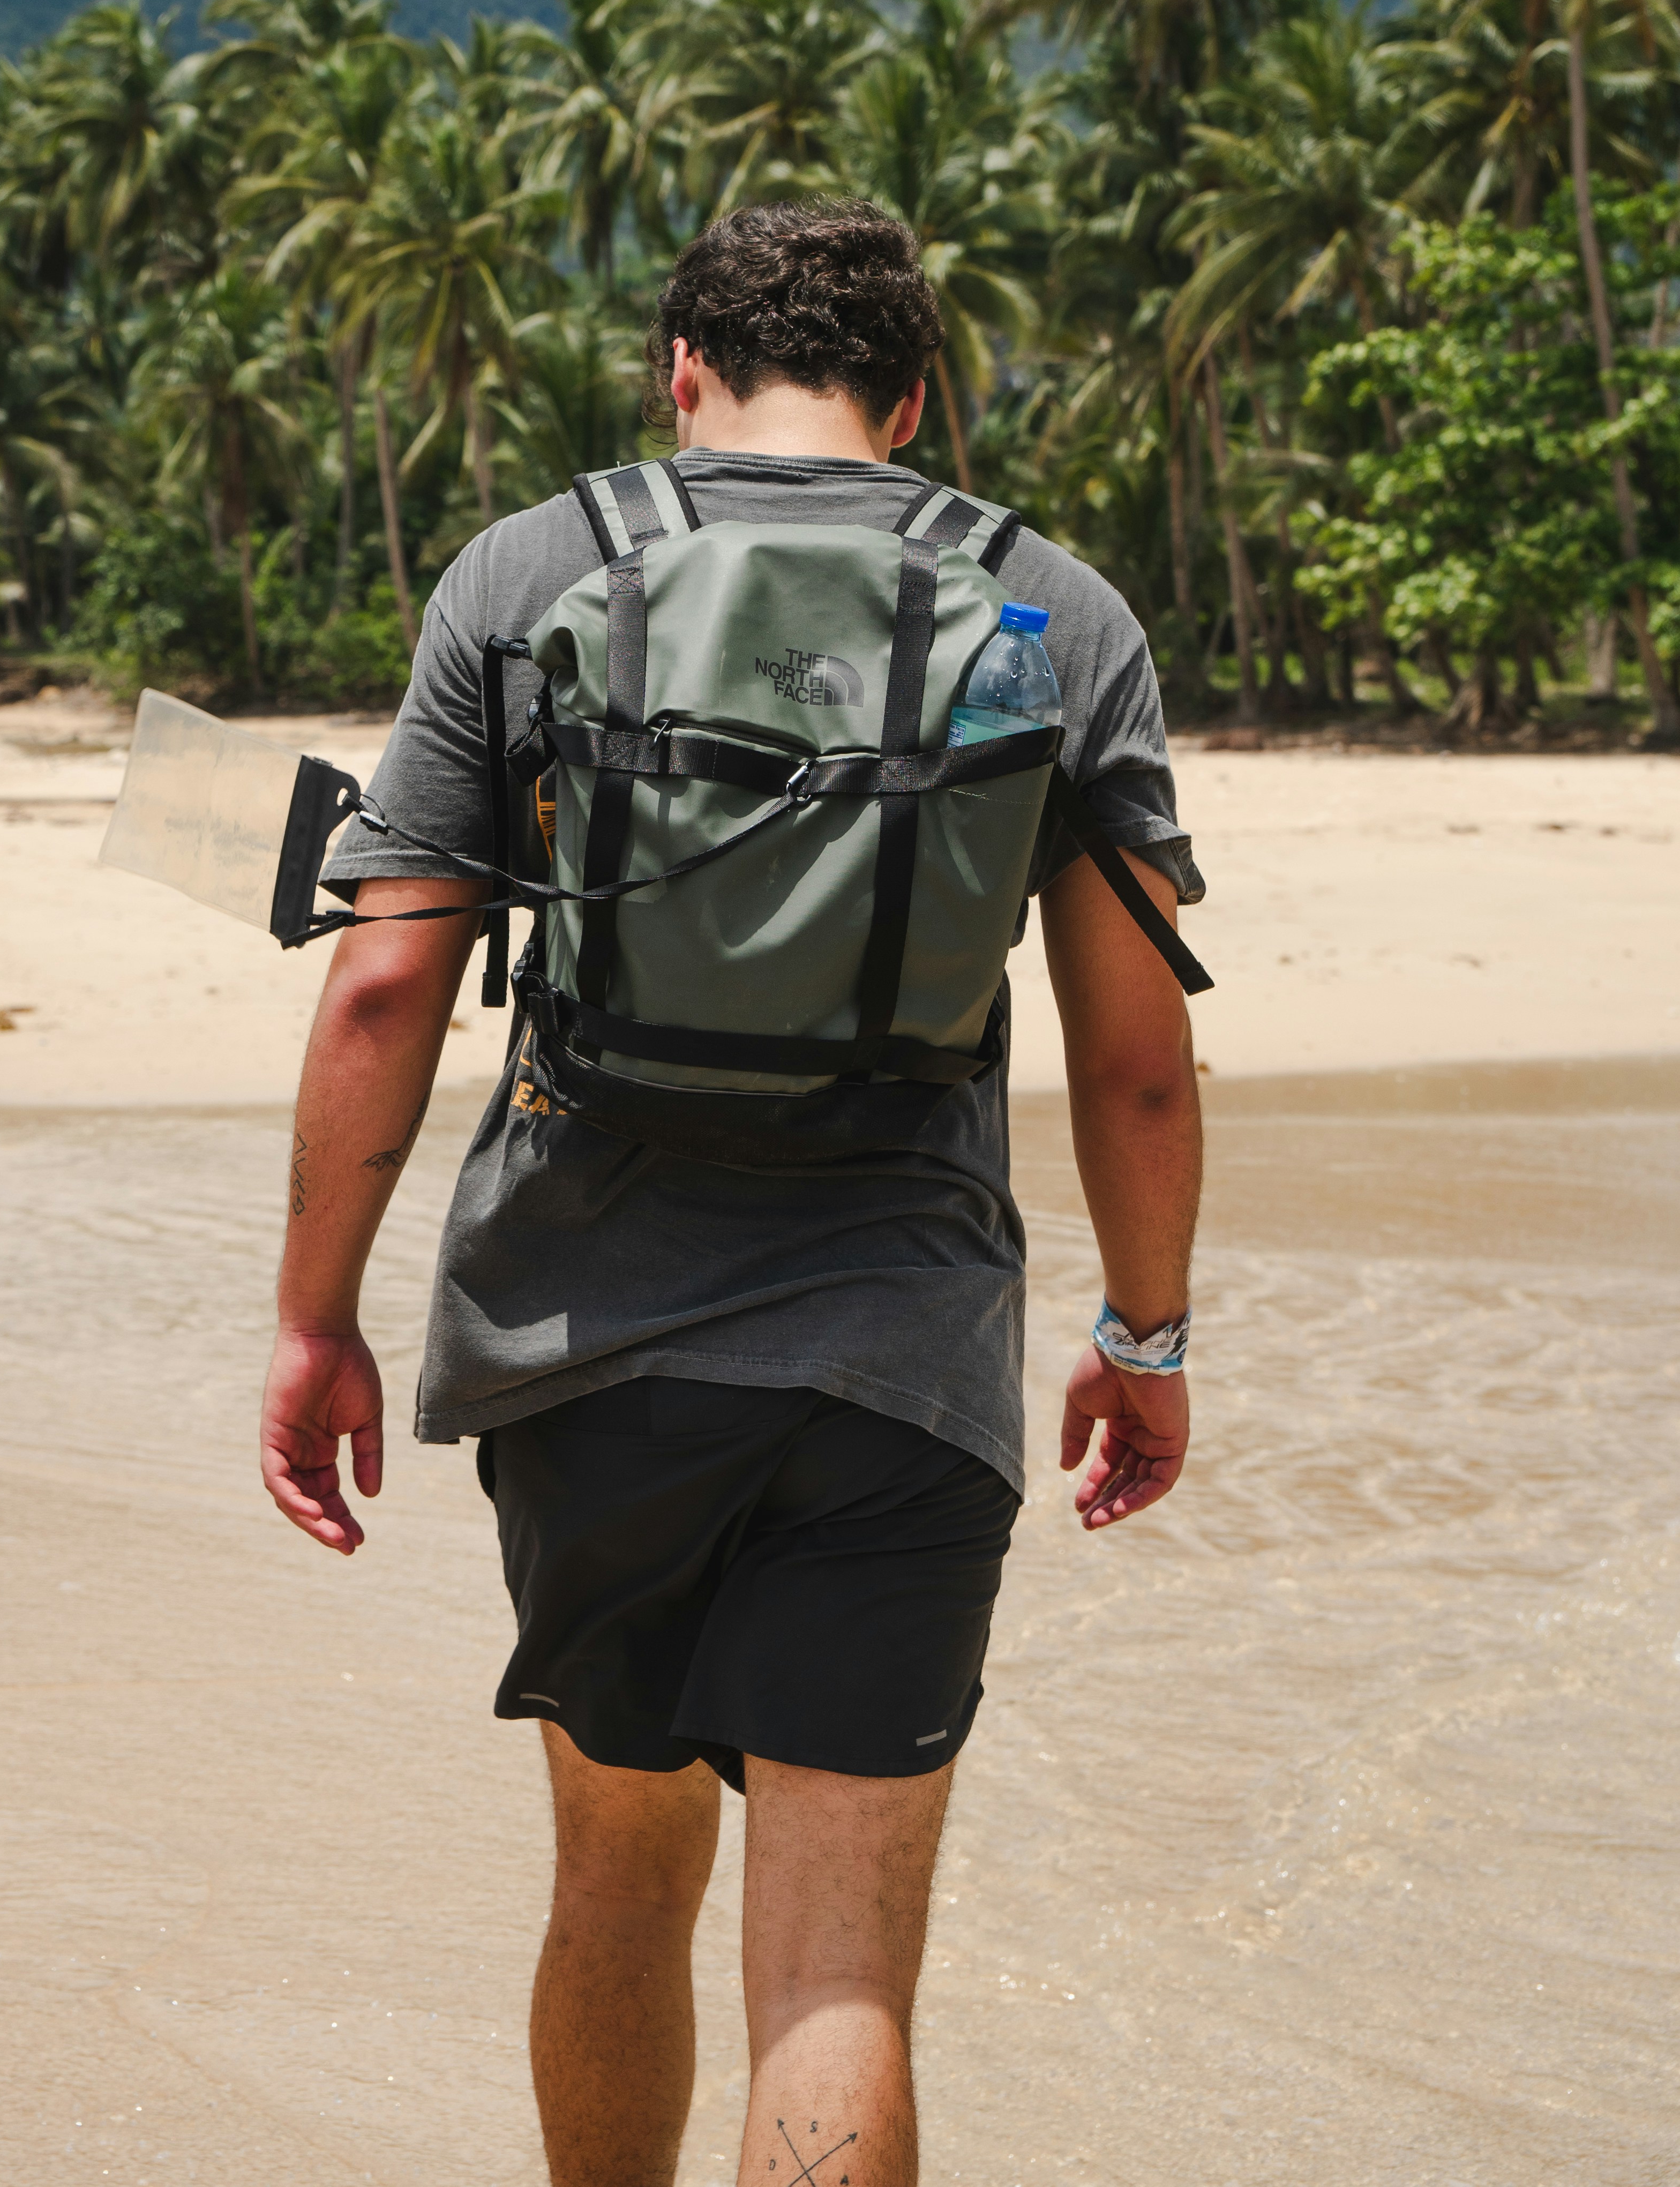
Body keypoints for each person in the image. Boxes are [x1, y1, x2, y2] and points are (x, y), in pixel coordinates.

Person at [260, 198, 1205, 2187]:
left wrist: (312, 1317)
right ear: (917, 396)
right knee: (836, 1974)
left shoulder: (531, 573)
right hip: (905, 1366)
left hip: (584, 1355)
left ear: (677, 377)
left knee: (616, 1888)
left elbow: (382, 983)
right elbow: (1133, 1052)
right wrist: (1143, 1333)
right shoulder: (1053, 611)